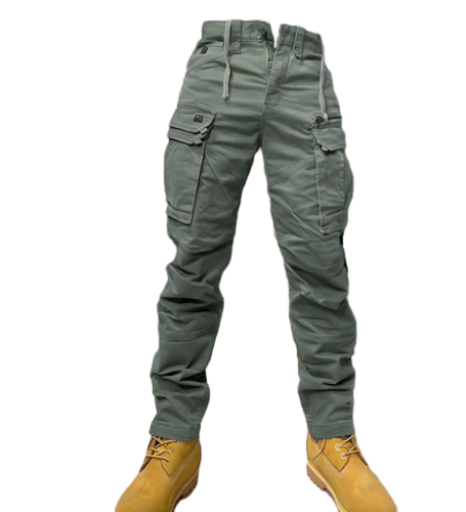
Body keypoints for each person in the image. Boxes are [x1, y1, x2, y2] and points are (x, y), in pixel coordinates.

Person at [114, 18, 404, 512]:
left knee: (321, 270)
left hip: (305, 70)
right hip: (216, 63)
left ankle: (331, 441)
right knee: (192, 268)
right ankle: (174, 443)